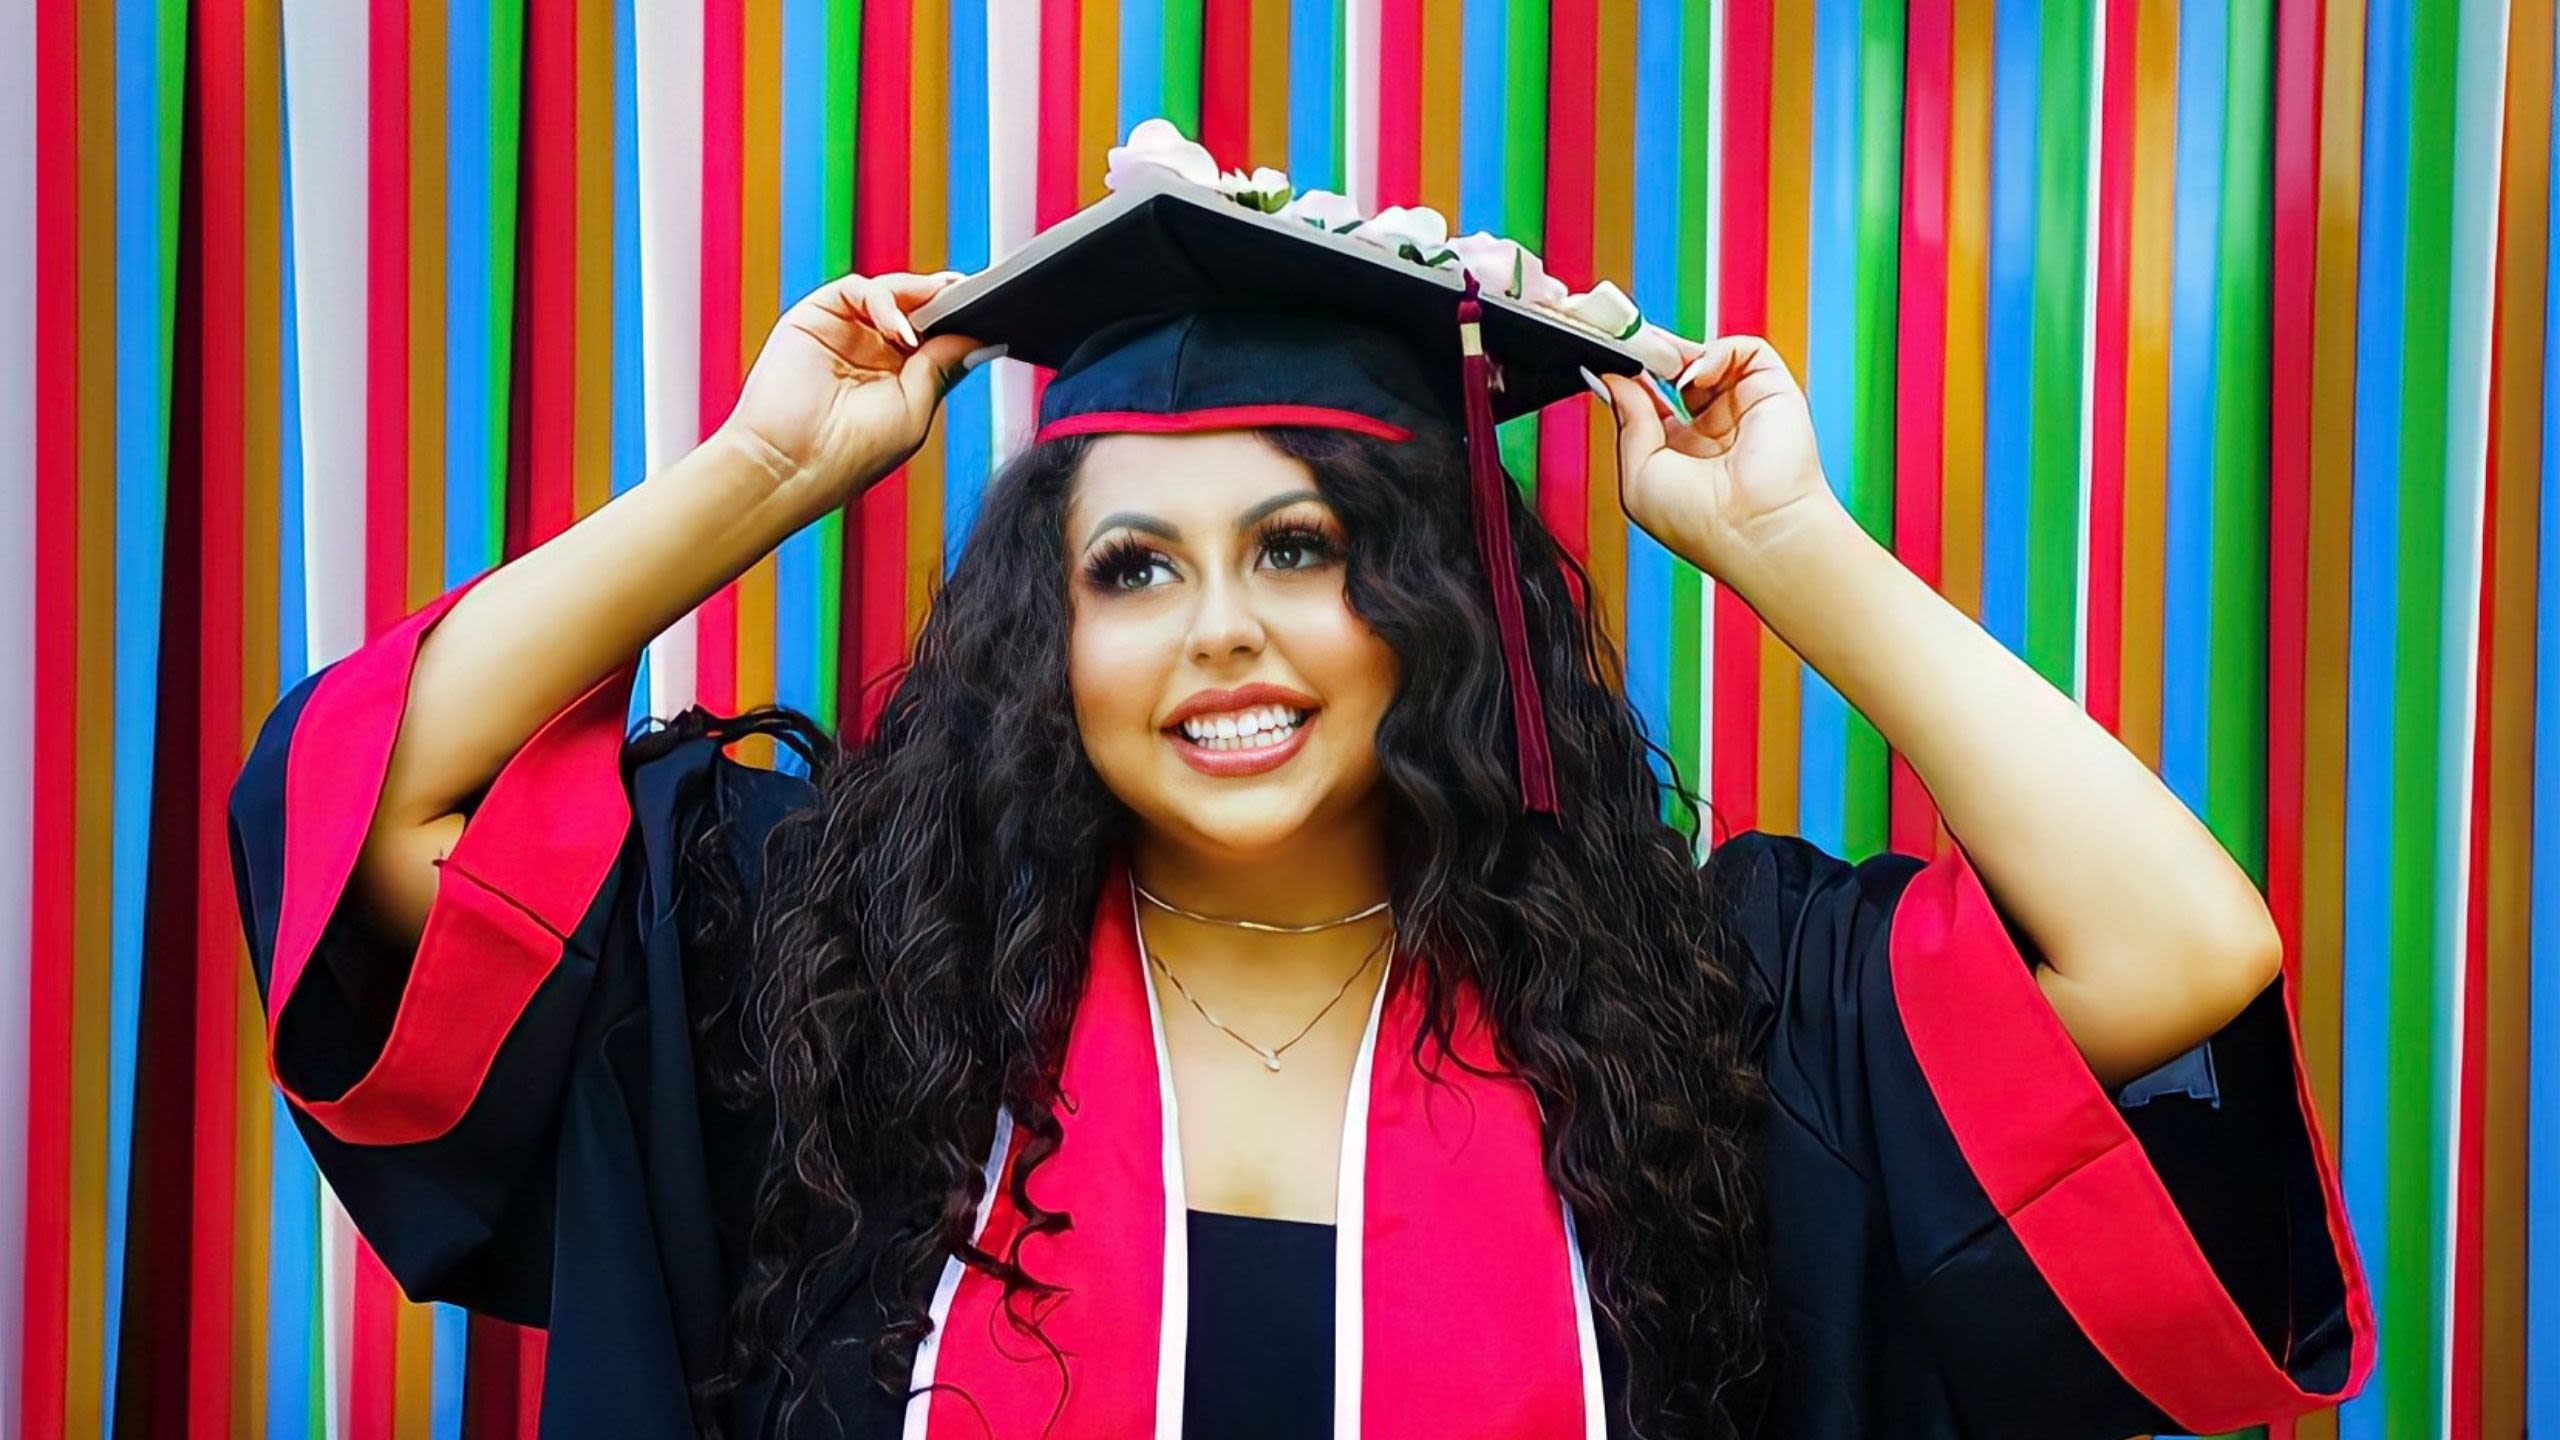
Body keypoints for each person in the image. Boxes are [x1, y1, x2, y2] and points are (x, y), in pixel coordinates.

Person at [230, 125, 2370, 1440]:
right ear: (1039, 640)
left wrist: (1784, 551)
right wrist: (756, 475)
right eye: (1132, 569)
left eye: (1300, 551)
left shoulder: (1686, 1028)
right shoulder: (841, 988)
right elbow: (386, 816)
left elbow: (2177, 955)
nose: (1218, 636)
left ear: (1429, 611)